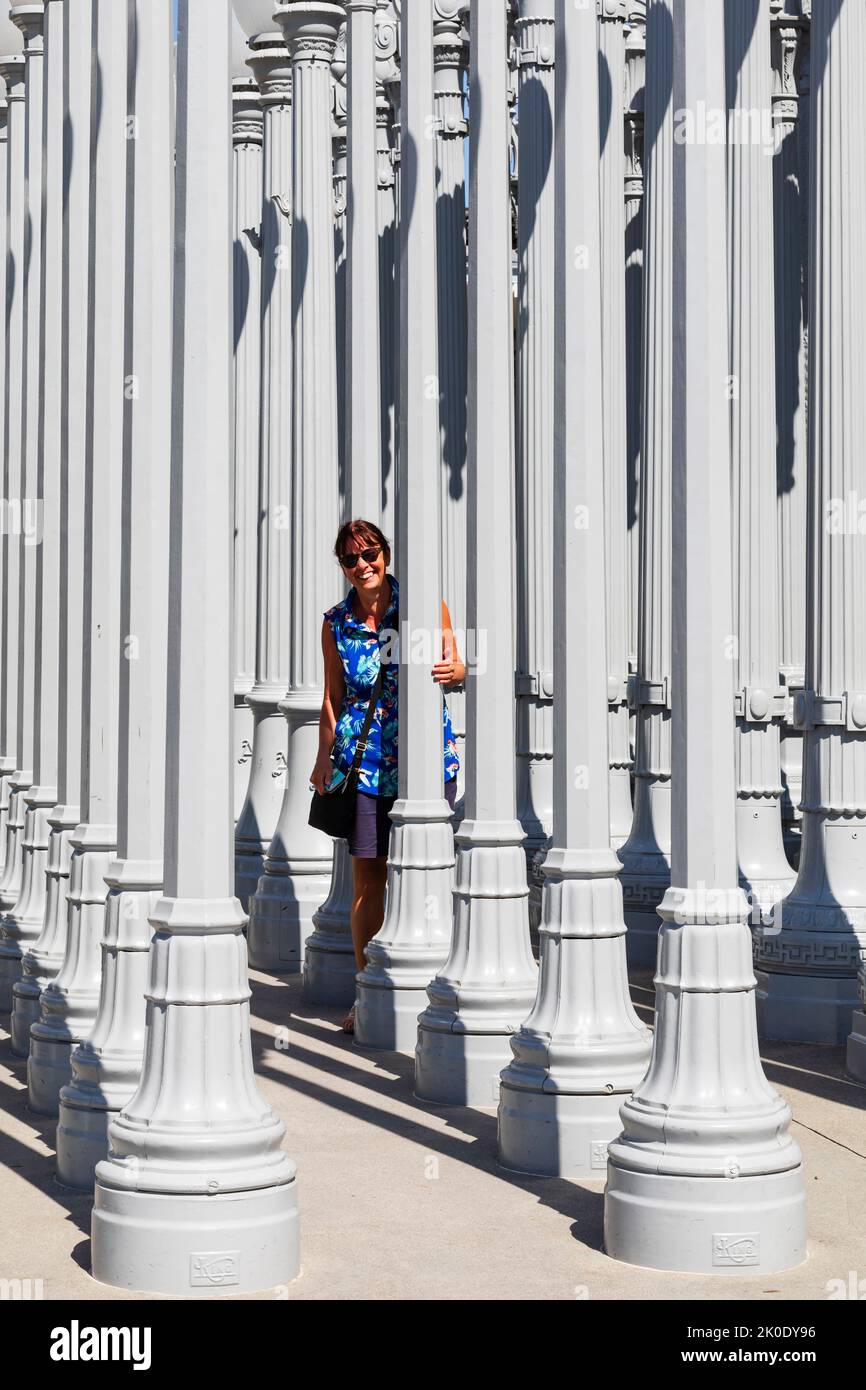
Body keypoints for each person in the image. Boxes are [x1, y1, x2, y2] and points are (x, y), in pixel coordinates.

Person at [310, 519, 464, 1033]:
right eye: (351, 560)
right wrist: (322, 757)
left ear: (386, 554)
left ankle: (434, 988)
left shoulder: (419, 605)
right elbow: (333, 697)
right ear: (343, 567)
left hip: (421, 756)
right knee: (368, 876)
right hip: (365, 759)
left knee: (429, 872)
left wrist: (456, 672)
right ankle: (368, 991)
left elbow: (457, 664)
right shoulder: (336, 623)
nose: (363, 565)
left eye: (370, 553)